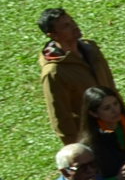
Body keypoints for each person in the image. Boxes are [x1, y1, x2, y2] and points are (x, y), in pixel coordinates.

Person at [38, 8, 116, 148]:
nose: (74, 26)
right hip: (92, 138)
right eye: (66, 25)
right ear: (53, 35)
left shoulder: (91, 49)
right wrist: (78, 148)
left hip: (117, 125)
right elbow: (61, 117)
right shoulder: (54, 72)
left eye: (72, 21)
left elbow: (111, 85)